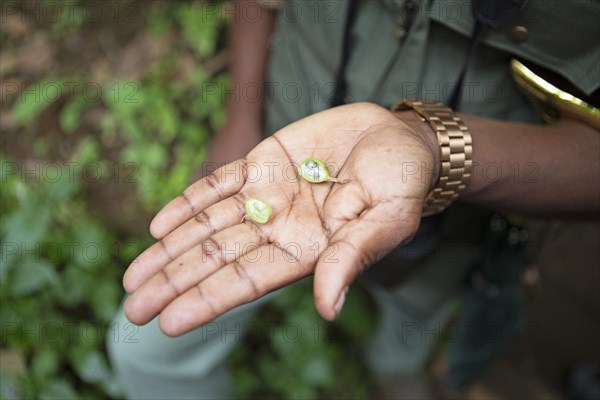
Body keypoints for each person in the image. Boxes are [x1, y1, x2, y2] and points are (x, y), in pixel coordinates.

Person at [108, 0, 599, 398]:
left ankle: (397, 366)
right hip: (283, 154)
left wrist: (433, 148)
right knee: (143, 348)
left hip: (464, 206)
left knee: (416, 310)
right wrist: (241, 116)